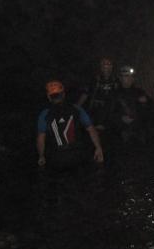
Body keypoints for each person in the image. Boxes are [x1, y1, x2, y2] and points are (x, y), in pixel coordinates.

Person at [36, 80, 104, 209]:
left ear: (49, 97)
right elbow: (91, 129)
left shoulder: (44, 114)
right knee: (81, 189)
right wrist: (98, 148)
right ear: (64, 94)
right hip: (77, 156)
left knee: (58, 190)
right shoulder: (77, 109)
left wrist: (41, 156)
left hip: (56, 159)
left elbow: (41, 138)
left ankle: (60, 207)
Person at [111, 65, 152, 143]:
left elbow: (150, 110)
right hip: (122, 134)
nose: (129, 78)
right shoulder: (115, 94)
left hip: (139, 134)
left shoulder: (139, 92)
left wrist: (146, 103)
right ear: (120, 78)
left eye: (131, 76)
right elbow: (110, 113)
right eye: (126, 76)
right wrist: (121, 118)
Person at [77, 57, 119, 130]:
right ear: (101, 67)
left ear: (112, 67)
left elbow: (120, 96)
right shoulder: (95, 80)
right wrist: (77, 107)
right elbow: (85, 94)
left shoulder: (116, 80)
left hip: (109, 115)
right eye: (104, 64)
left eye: (109, 64)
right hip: (95, 113)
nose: (106, 66)